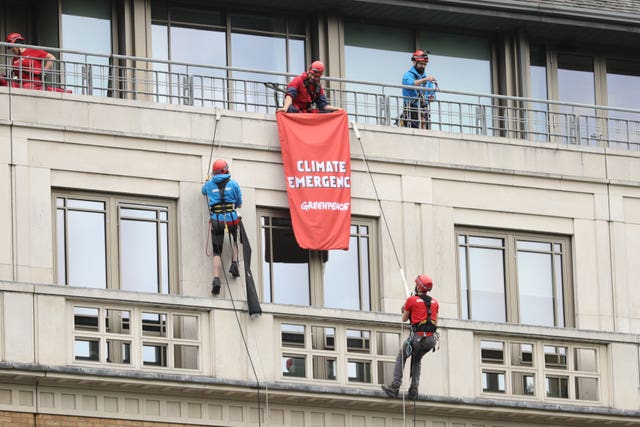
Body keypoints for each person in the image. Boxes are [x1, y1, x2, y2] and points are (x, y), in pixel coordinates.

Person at [381, 274, 439, 400]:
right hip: (430, 340)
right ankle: (414, 390)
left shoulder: (412, 300)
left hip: (417, 338)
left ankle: (394, 387)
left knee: (402, 356)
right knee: (417, 360)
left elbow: (404, 318)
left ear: (418, 286)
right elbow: (434, 322)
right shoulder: (434, 303)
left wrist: (405, 309)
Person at [201, 159, 243, 295]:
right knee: (235, 241)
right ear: (226, 169)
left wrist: (207, 180)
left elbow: (203, 191)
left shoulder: (209, 185)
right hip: (231, 219)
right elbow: (239, 203)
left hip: (217, 220)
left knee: (217, 252)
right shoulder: (234, 184)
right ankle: (234, 264)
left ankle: (216, 279)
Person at [278, 61, 342, 113]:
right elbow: (290, 95)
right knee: (290, 109)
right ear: (308, 71)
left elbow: (324, 106)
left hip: (306, 112)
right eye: (312, 74)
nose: (313, 77)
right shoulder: (298, 80)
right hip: (295, 110)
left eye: (316, 76)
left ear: (319, 76)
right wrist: (285, 108)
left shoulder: (317, 87)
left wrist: (337, 109)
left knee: (328, 113)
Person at [401, 50, 437, 129]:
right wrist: (425, 80)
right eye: (421, 64)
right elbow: (412, 84)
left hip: (424, 111)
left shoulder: (427, 79)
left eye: (424, 64)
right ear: (414, 63)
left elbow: (432, 95)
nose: (423, 66)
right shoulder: (407, 76)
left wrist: (432, 97)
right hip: (411, 110)